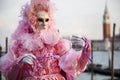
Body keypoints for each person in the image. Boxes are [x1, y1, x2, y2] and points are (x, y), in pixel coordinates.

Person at [0, 0, 91, 80]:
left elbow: (75, 67)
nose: (44, 24)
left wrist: (84, 51)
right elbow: (10, 77)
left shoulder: (56, 43)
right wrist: (18, 64)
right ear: (32, 20)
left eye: (47, 20)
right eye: (40, 20)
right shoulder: (20, 45)